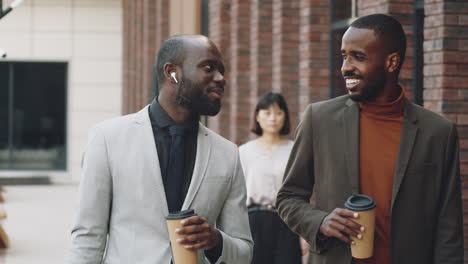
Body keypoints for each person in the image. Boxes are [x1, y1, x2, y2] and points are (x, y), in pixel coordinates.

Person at [276, 14, 463, 264]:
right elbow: (288, 198)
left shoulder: (438, 132)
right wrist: (321, 221)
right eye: (344, 56)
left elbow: (448, 229)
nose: (346, 67)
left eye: (358, 57)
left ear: (391, 62)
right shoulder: (319, 119)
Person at [69, 35, 253, 264]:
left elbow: (244, 251)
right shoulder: (108, 139)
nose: (221, 78)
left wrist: (216, 241)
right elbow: (88, 237)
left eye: (222, 70)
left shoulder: (228, 154)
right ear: (171, 72)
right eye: (209, 68)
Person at [239, 92, 305, 264]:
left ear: (285, 117)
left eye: (278, 112)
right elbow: (236, 195)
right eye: (267, 113)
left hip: (287, 222)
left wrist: (304, 233)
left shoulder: (294, 151)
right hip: (253, 223)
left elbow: (302, 193)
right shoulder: (244, 152)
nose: (273, 118)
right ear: (257, 117)